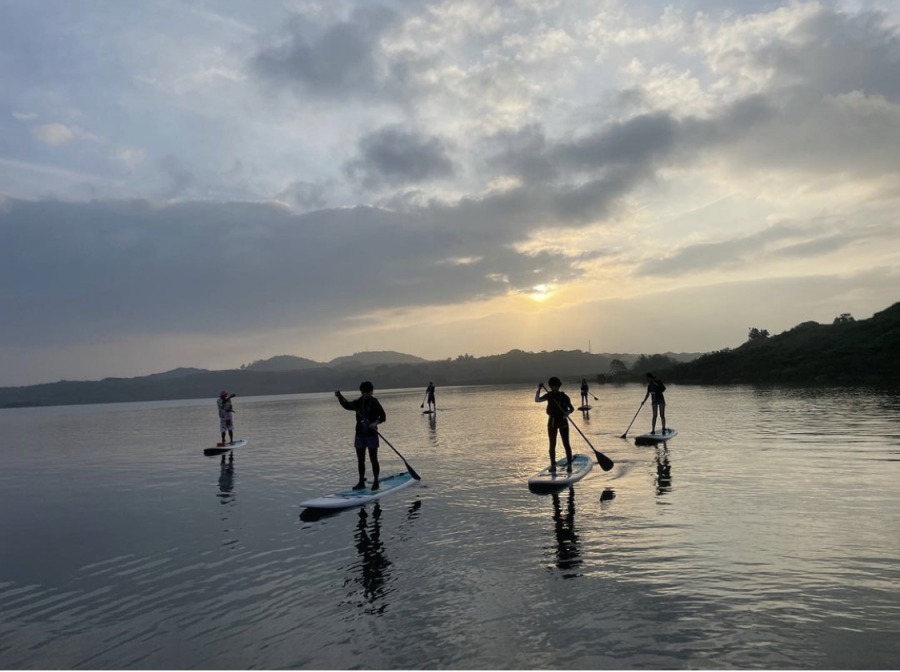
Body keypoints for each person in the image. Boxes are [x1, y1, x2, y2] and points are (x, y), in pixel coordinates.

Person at [336, 381, 387, 490]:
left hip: (372, 434)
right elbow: (347, 405)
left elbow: (383, 416)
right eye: (364, 393)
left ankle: (376, 482)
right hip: (359, 435)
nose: (366, 395)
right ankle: (361, 482)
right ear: (361, 392)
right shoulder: (358, 402)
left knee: (373, 459)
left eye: (368, 393)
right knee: (360, 460)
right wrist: (339, 397)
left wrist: (375, 423)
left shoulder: (374, 402)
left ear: (371, 392)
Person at [535, 377, 576, 472]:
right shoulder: (549, 395)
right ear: (550, 386)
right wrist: (539, 389)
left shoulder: (564, 397)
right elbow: (537, 400)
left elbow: (572, 408)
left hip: (563, 421)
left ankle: (569, 465)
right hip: (552, 422)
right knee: (552, 444)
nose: (554, 388)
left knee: (566, 443)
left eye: (556, 386)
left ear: (559, 386)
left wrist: (568, 412)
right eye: (552, 386)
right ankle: (553, 465)